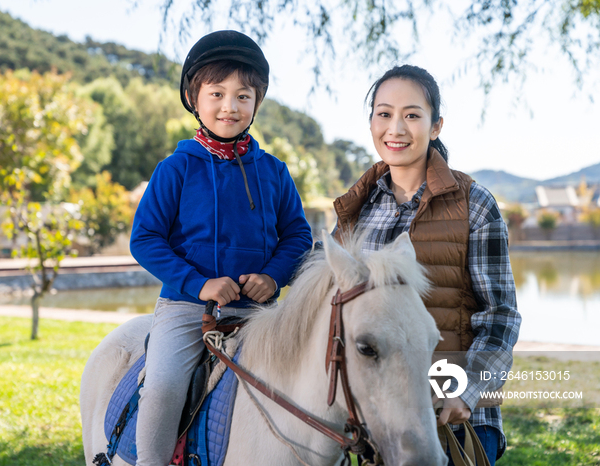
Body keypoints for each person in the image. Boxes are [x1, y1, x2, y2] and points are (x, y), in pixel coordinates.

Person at [129, 30, 313, 466]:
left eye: (243, 96)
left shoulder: (274, 171)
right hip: (187, 309)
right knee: (164, 386)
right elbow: (145, 239)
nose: (230, 106)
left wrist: (274, 276)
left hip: (259, 313)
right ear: (194, 98)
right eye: (217, 93)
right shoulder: (174, 169)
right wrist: (199, 284)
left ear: (257, 102)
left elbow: (298, 236)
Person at [332, 65, 521, 465]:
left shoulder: (475, 204)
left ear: (435, 126)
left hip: (455, 420)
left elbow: (500, 319)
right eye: (384, 114)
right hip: (380, 423)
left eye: (412, 115)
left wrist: (465, 393)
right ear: (370, 123)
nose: (395, 128)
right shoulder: (354, 211)